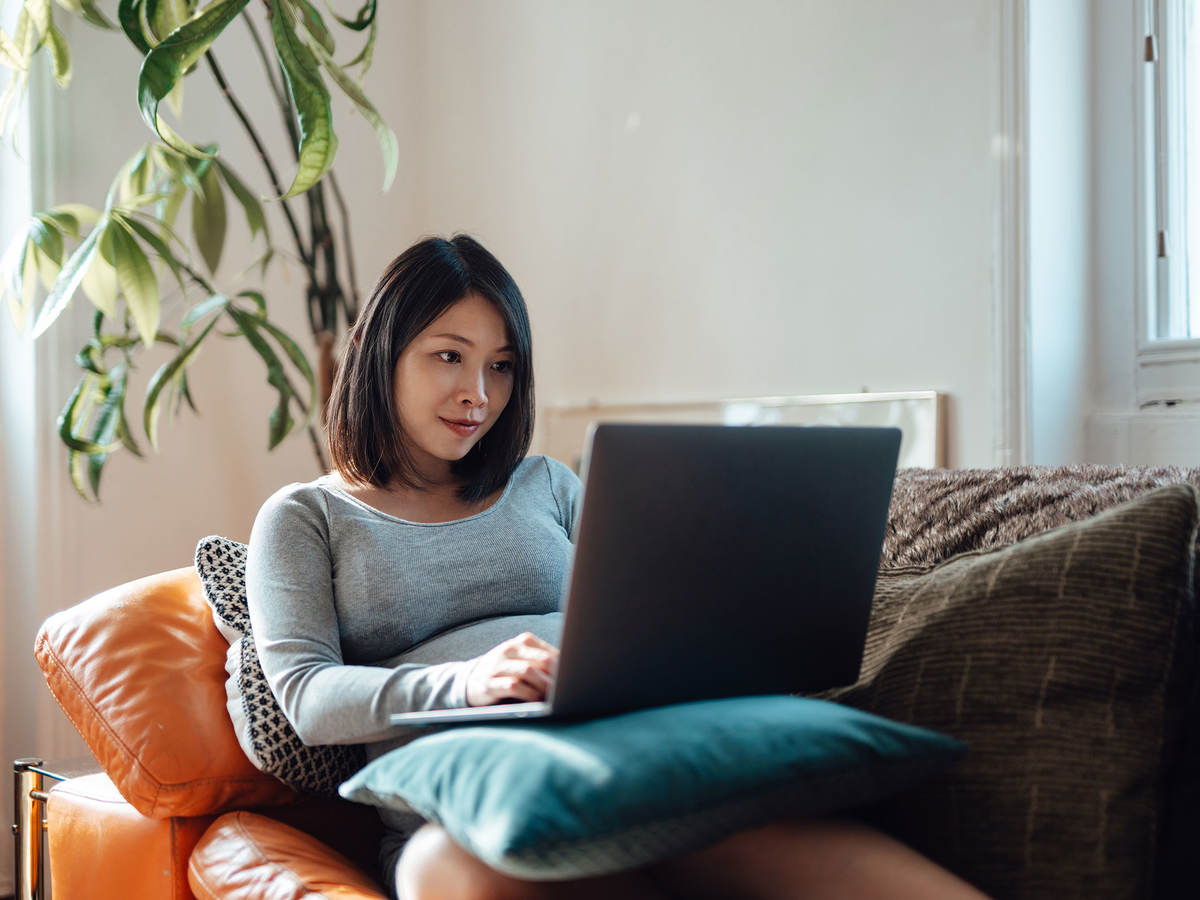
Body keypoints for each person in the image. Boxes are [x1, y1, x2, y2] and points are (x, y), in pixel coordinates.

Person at [246, 234, 987, 900]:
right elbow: (307, 696)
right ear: (381, 353)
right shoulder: (307, 516)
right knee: (447, 872)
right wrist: (467, 682)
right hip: (472, 812)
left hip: (628, 766)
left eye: (501, 367)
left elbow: (632, 622)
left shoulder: (545, 485)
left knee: (780, 839)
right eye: (450, 356)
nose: (479, 394)